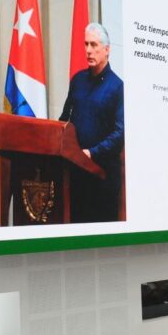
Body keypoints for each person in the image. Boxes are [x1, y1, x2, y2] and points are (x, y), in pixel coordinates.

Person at [59, 22, 125, 223]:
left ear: (107, 50)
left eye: (94, 45)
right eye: (86, 44)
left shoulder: (118, 87)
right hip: (74, 173)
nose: (88, 50)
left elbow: (120, 132)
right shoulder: (78, 80)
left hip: (102, 177)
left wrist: (92, 152)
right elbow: (64, 119)